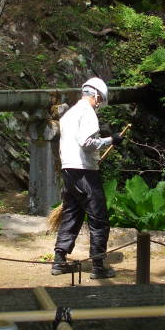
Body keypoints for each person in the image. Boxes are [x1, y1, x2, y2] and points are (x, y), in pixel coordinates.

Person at [51, 77, 124, 279]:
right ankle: (99, 266)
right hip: (85, 173)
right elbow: (86, 142)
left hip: (69, 171)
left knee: (71, 215)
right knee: (99, 219)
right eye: (101, 100)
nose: (100, 104)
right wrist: (112, 140)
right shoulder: (88, 112)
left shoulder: (69, 114)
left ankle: (59, 261)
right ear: (98, 96)